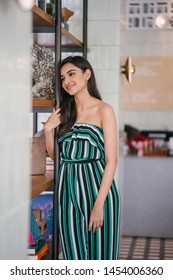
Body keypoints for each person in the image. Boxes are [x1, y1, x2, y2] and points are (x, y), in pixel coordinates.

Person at [44, 55, 120, 260]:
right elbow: (56, 156)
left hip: (97, 191)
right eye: (62, 77)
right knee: (73, 256)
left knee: (101, 257)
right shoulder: (64, 112)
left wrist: (98, 206)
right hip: (67, 191)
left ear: (87, 75)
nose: (66, 81)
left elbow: (112, 161)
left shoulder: (104, 110)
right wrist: (48, 130)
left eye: (71, 74)